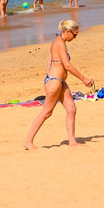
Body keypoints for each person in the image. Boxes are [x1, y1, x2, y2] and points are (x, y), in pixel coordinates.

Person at [24, 19, 93, 149]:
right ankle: (28, 141)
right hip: (55, 82)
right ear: (68, 32)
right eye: (74, 35)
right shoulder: (59, 42)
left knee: (71, 108)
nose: (75, 37)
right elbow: (67, 65)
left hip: (60, 81)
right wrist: (83, 79)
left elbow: (49, 61)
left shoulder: (59, 42)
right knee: (47, 112)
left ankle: (72, 141)